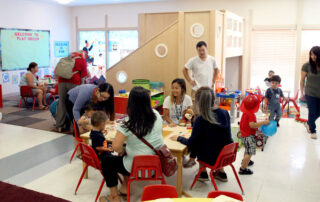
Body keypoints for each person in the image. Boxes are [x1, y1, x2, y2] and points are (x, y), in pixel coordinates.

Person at [99, 87, 164, 202]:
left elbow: (115, 147)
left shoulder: (128, 122)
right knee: (126, 153)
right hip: (156, 164)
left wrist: (123, 150)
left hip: (135, 167)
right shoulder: (157, 115)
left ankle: (114, 197)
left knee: (107, 161)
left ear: (131, 103)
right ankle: (124, 187)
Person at [170, 87, 233, 182]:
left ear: (199, 102)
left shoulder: (200, 119)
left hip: (210, 157)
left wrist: (179, 138)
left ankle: (202, 173)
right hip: (227, 155)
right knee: (214, 140)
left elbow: (192, 142)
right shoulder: (224, 113)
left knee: (200, 144)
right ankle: (221, 172)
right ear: (213, 98)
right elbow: (225, 136)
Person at [55, 51, 88, 132]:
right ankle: (73, 127)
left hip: (61, 82)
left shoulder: (67, 58)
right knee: (74, 104)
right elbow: (83, 76)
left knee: (61, 102)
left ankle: (59, 126)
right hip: (74, 82)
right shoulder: (81, 60)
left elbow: (57, 71)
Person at [239, 94, 269, 175]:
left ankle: (245, 161)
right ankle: (243, 169)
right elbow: (252, 125)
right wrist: (263, 122)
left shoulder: (245, 112)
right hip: (249, 136)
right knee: (249, 152)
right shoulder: (251, 115)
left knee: (247, 149)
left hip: (244, 135)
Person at [300, 46, 320, 140]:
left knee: (318, 112)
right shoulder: (306, 65)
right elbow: (302, 80)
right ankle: (313, 130)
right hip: (310, 92)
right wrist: (302, 93)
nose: (313, 56)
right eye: (311, 54)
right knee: (312, 112)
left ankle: (308, 123)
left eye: (314, 54)